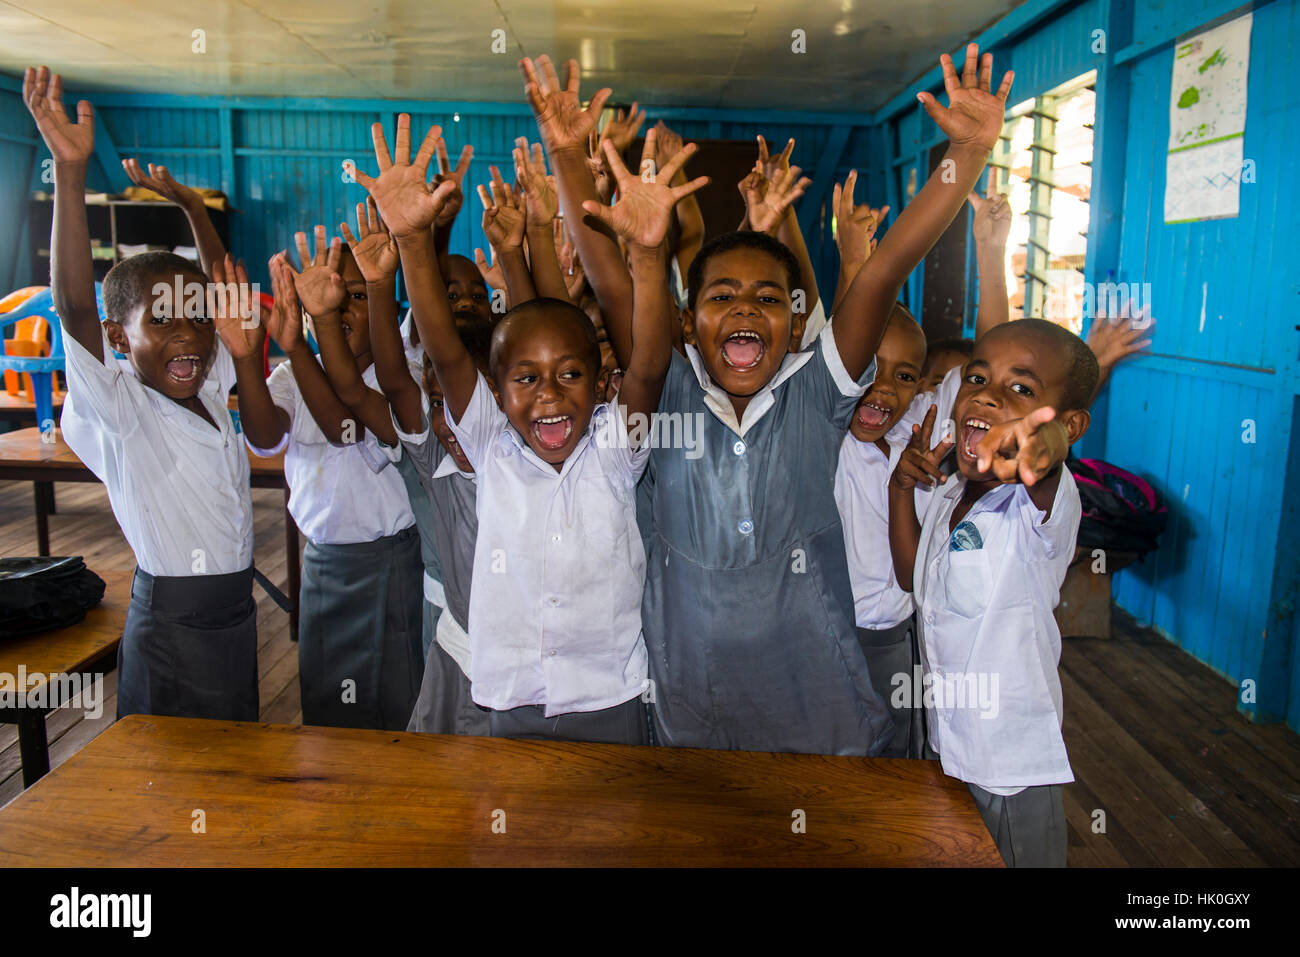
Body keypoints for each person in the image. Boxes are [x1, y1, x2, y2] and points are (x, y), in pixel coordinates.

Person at [24, 66, 259, 720]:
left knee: (231, 766)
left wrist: (192, 208)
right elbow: (73, 304)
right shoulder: (123, 407)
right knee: (176, 783)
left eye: (196, 316)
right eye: (160, 320)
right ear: (118, 340)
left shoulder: (208, 382)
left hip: (235, 614)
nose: (185, 332)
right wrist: (70, 173)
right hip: (176, 629)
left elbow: (221, 286)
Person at [888, 318, 1099, 867]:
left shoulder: (1041, 509)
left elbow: (1045, 456)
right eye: (977, 378)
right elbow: (917, 584)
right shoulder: (953, 489)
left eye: (1021, 389)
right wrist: (900, 489)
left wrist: (1039, 445)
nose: (988, 396)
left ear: (1072, 425)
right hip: (947, 744)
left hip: (1007, 768)